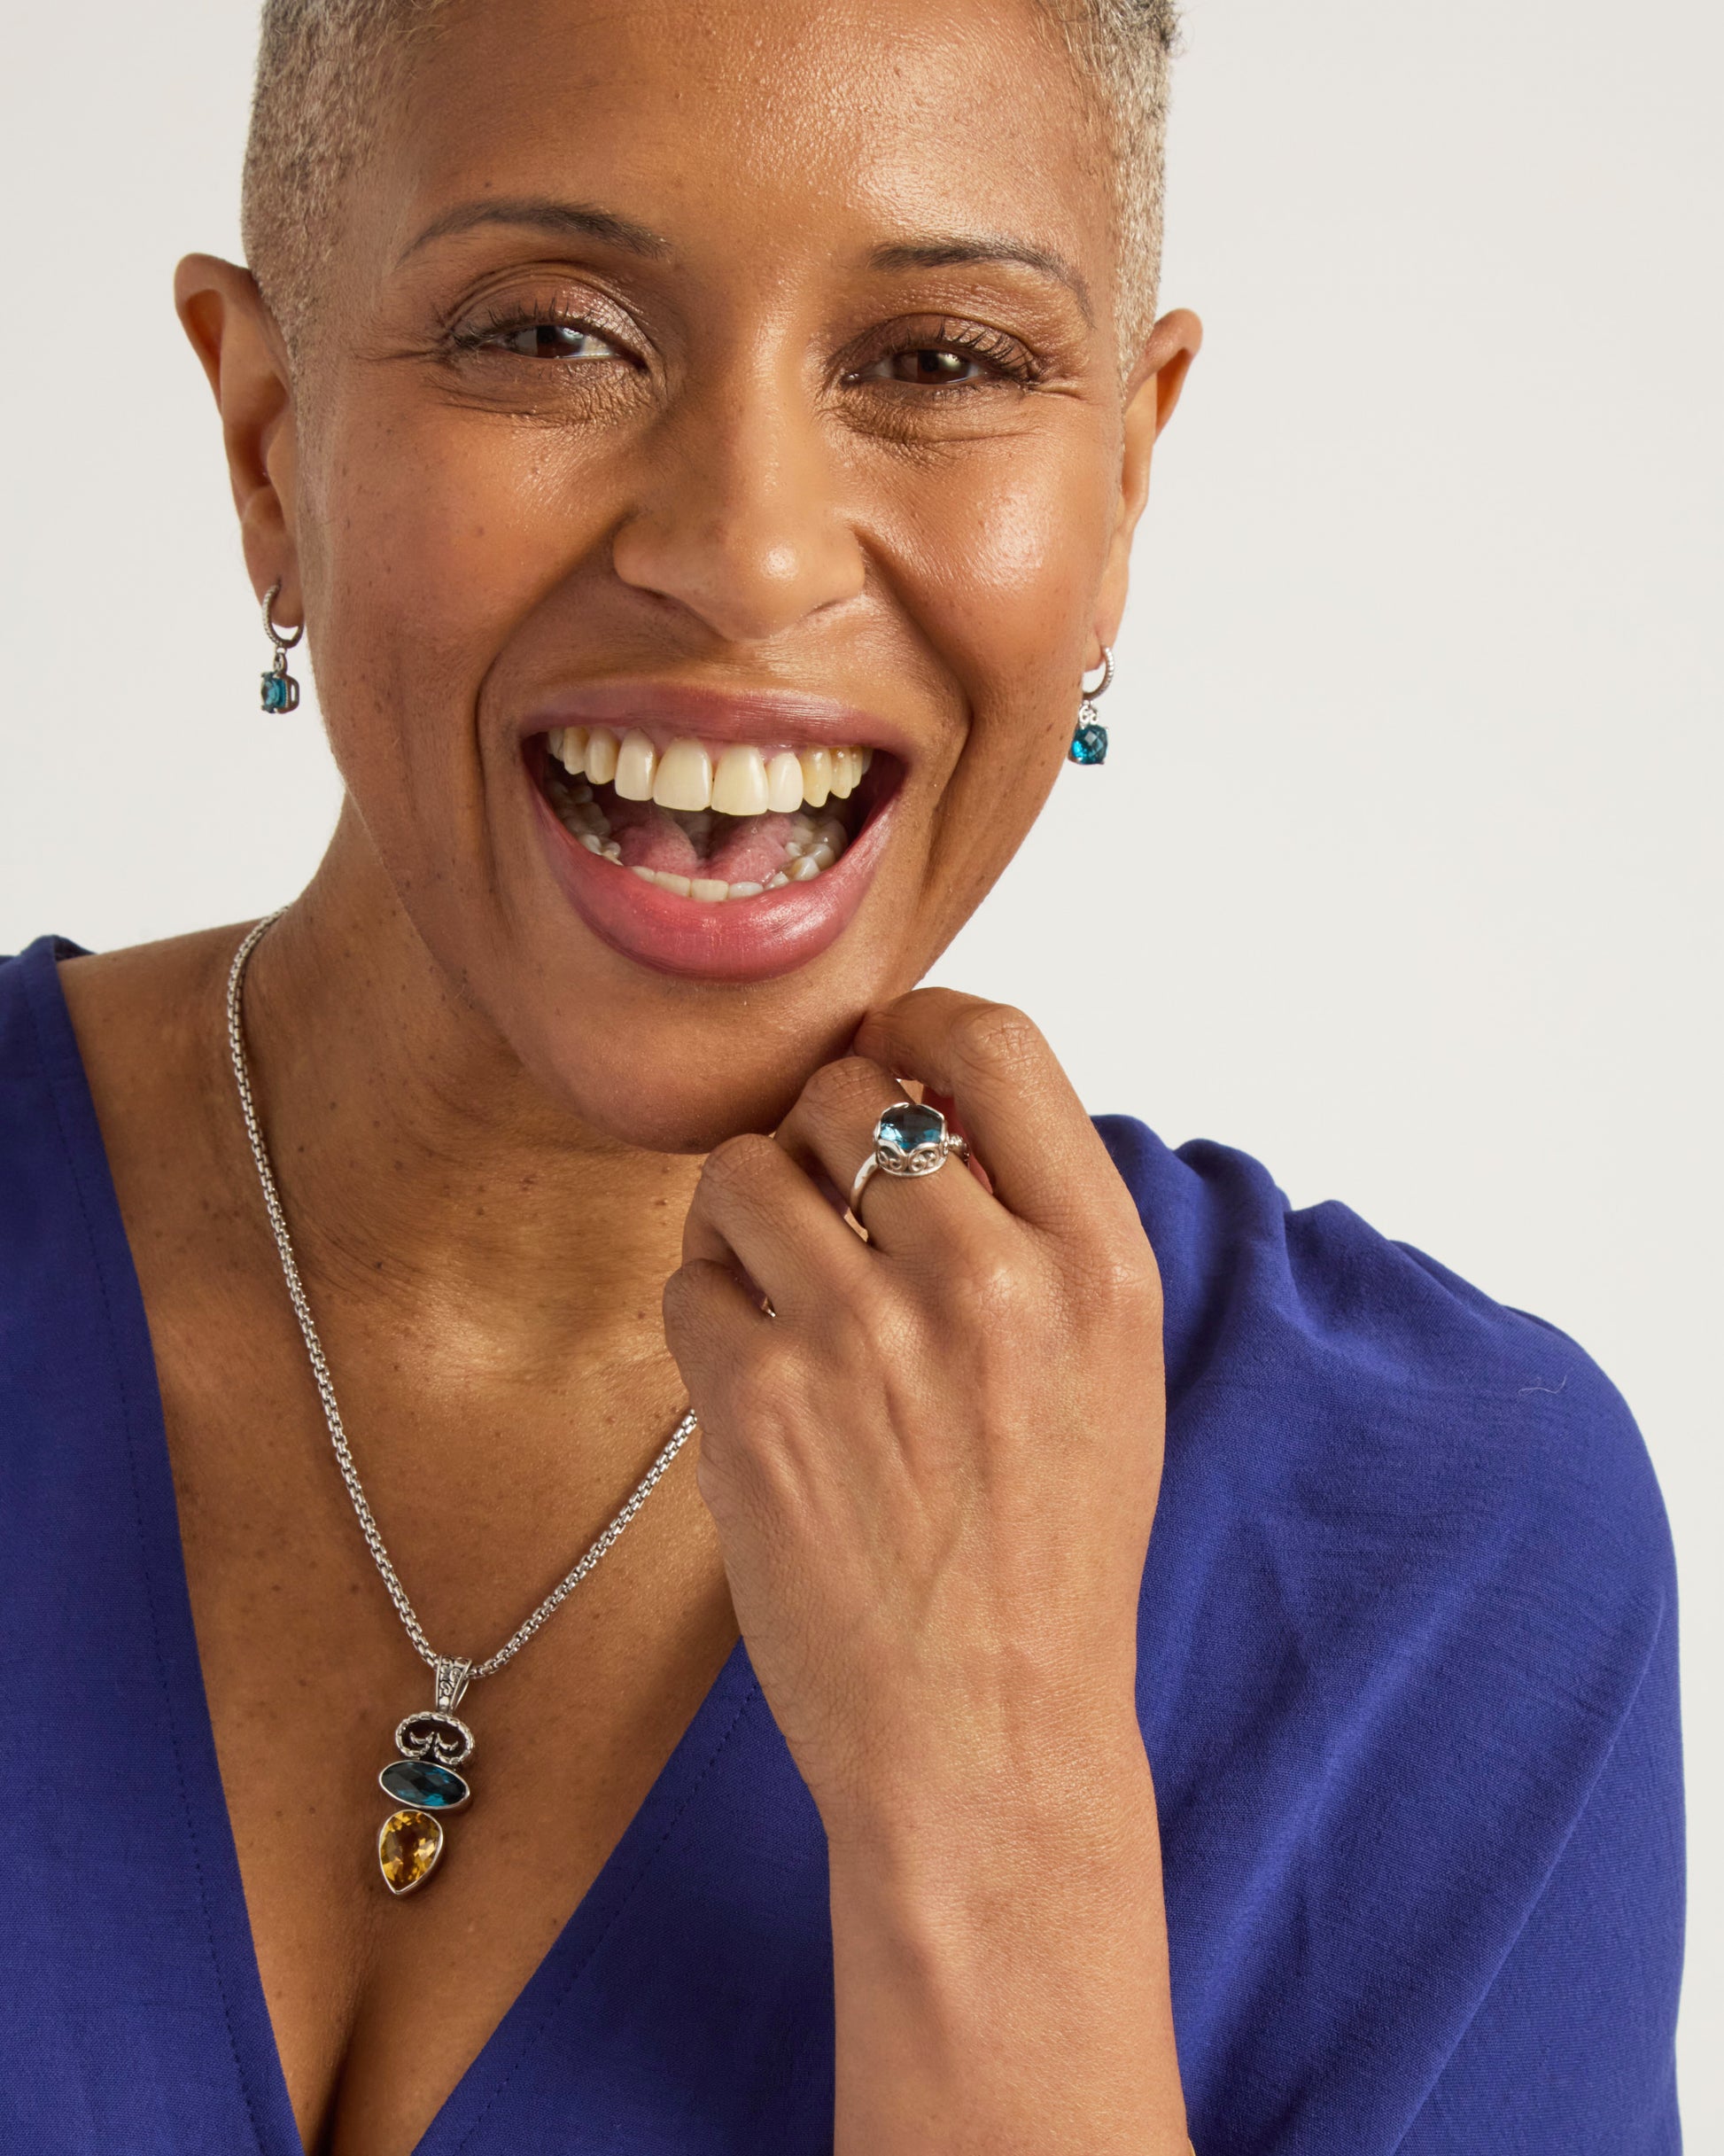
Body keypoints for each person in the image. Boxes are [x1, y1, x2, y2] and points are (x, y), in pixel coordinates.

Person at [0, 0, 1683, 2150]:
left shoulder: (1440, 1565)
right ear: (266, 442)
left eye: (940, 362)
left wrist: (1004, 1820)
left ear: (1121, 485)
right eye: (551, 334)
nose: (753, 550)